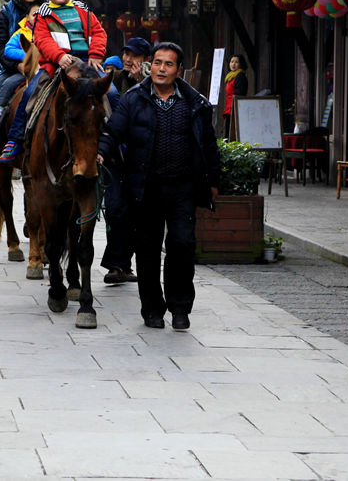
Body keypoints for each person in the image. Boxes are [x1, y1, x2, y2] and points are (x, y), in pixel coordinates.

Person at [98, 42, 220, 331]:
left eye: (168, 64)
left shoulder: (195, 103)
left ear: (179, 70)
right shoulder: (132, 99)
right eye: (157, 63)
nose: (161, 69)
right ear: (148, 66)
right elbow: (113, 130)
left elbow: (209, 146)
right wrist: (101, 151)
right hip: (145, 188)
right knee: (147, 250)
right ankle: (152, 309)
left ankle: (180, 308)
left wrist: (213, 182)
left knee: (182, 245)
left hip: (182, 188)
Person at [0, 0, 106, 164]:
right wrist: (59, 56)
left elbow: (99, 33)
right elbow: (42, 39)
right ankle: (14, 140)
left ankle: (112, 141)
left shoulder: (84, 11)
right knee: (30, 93)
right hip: (54, 65)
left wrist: (96, 54)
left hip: (88, 63)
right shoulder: (42, 14)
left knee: (112, 94)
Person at [101, 36, 152, 284]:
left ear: (146, 61)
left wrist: (144, 80)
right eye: (126, 55)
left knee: (135, 214)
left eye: (135, 56)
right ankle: (115, 265)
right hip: (115, 157)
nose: (129, 60)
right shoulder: (116, 81)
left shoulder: (154, 84)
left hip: (141, 160)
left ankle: (124, 265)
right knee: (115, 209)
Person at [0, 0, 45, 128]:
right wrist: (17, 65)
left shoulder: (49, 10)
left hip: (46, 64)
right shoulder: (6, 12)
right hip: (10, 67)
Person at [222, 54, 249, 138]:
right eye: (231, 61)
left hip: (235, 109)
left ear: (241, 64)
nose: (233, 64)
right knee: (227, 133)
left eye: (236, 62)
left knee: (232, 135)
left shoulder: (240, 77)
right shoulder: (231, 76)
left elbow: (239, 94)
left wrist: (233, 107)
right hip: (229, 108)